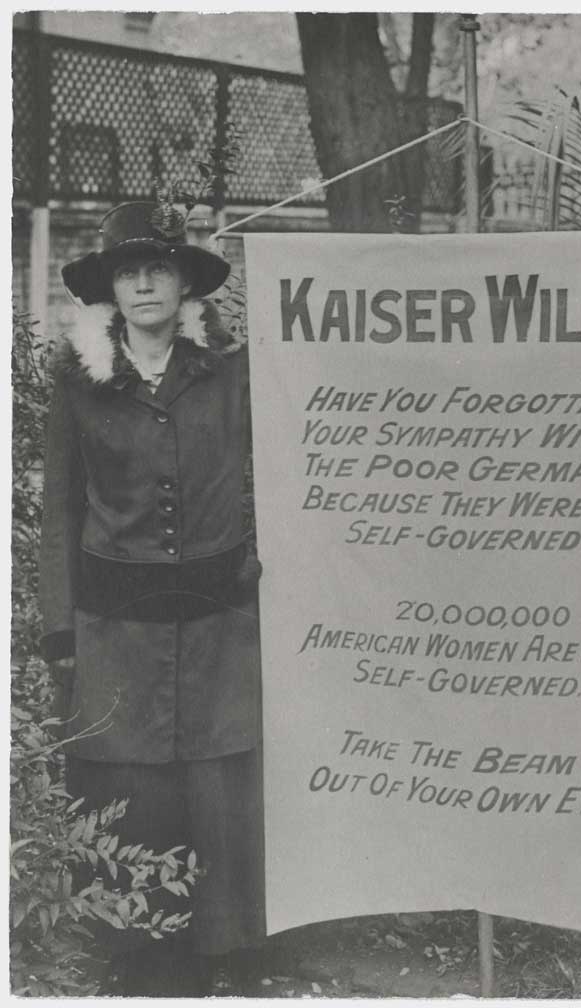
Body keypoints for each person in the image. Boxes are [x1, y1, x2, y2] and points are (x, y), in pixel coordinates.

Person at [40, 201, 265, 996]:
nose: (144, 284)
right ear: (108, 290)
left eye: (159, 269)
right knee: (127, 780)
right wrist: (59, 628)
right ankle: (134, 953)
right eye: (128, 272)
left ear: (183, 287)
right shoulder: (80, 385)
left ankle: (226, 953)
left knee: (217, 777)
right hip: (116, 627)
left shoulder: (231, 374)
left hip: (217, 622)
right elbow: (62, 509)